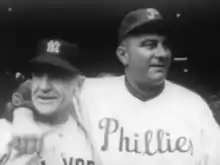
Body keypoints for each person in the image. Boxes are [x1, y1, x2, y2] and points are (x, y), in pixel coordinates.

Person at [79, 8, 220, 165]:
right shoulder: (89, 94)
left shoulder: (193, 106)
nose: (162, 53)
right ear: (123, 55)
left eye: (165, 45)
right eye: (149, 45)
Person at [0, 39, 102, 165]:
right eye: (38, 74)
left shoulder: (94, 137)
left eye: (57, 76)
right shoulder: (5, 132)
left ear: (79, 85)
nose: (43, 87)